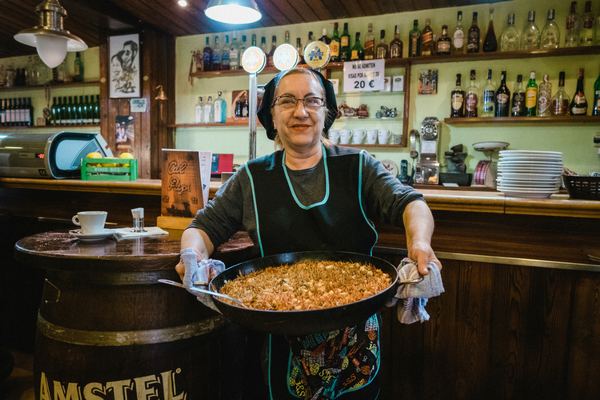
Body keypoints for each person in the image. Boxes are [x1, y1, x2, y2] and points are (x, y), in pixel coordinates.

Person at [176, 67, 441, 400]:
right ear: (271, 115)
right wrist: (193, 255)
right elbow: (203, 227)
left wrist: (419, 242)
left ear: (325, 112)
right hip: (280, 335)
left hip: (357, 334)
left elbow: (410, 203)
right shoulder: (251, 178)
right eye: (287, 101)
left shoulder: (359, 166)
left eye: (312, 101)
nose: (300, 111)